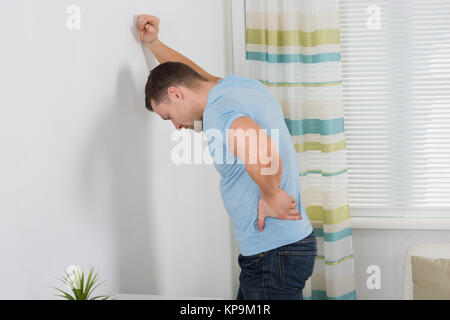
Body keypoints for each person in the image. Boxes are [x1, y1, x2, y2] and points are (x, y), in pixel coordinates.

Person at [137, 15, 317, 300]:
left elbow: (261, 149)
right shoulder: (238, 88)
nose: (176, 125)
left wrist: (271, 195)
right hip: (278, 249)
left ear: (175, 94)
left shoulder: (218, 111)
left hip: (272, 254)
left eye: (168, 115)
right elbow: (195, 76)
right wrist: (154, 44)